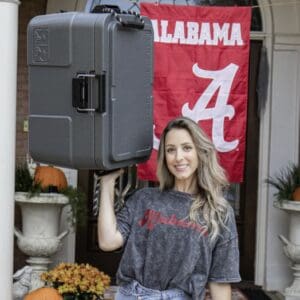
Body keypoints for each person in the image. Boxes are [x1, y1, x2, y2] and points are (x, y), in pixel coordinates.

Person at [98, 116, 241, 300]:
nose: (178, 157)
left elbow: (220, 281)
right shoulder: (144, 199)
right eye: (170, 150)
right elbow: (108, 241)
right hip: (131, 295)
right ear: (164, 157)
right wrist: (107, 183)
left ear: (201, 152)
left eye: (187, 148)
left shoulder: (218, 212)